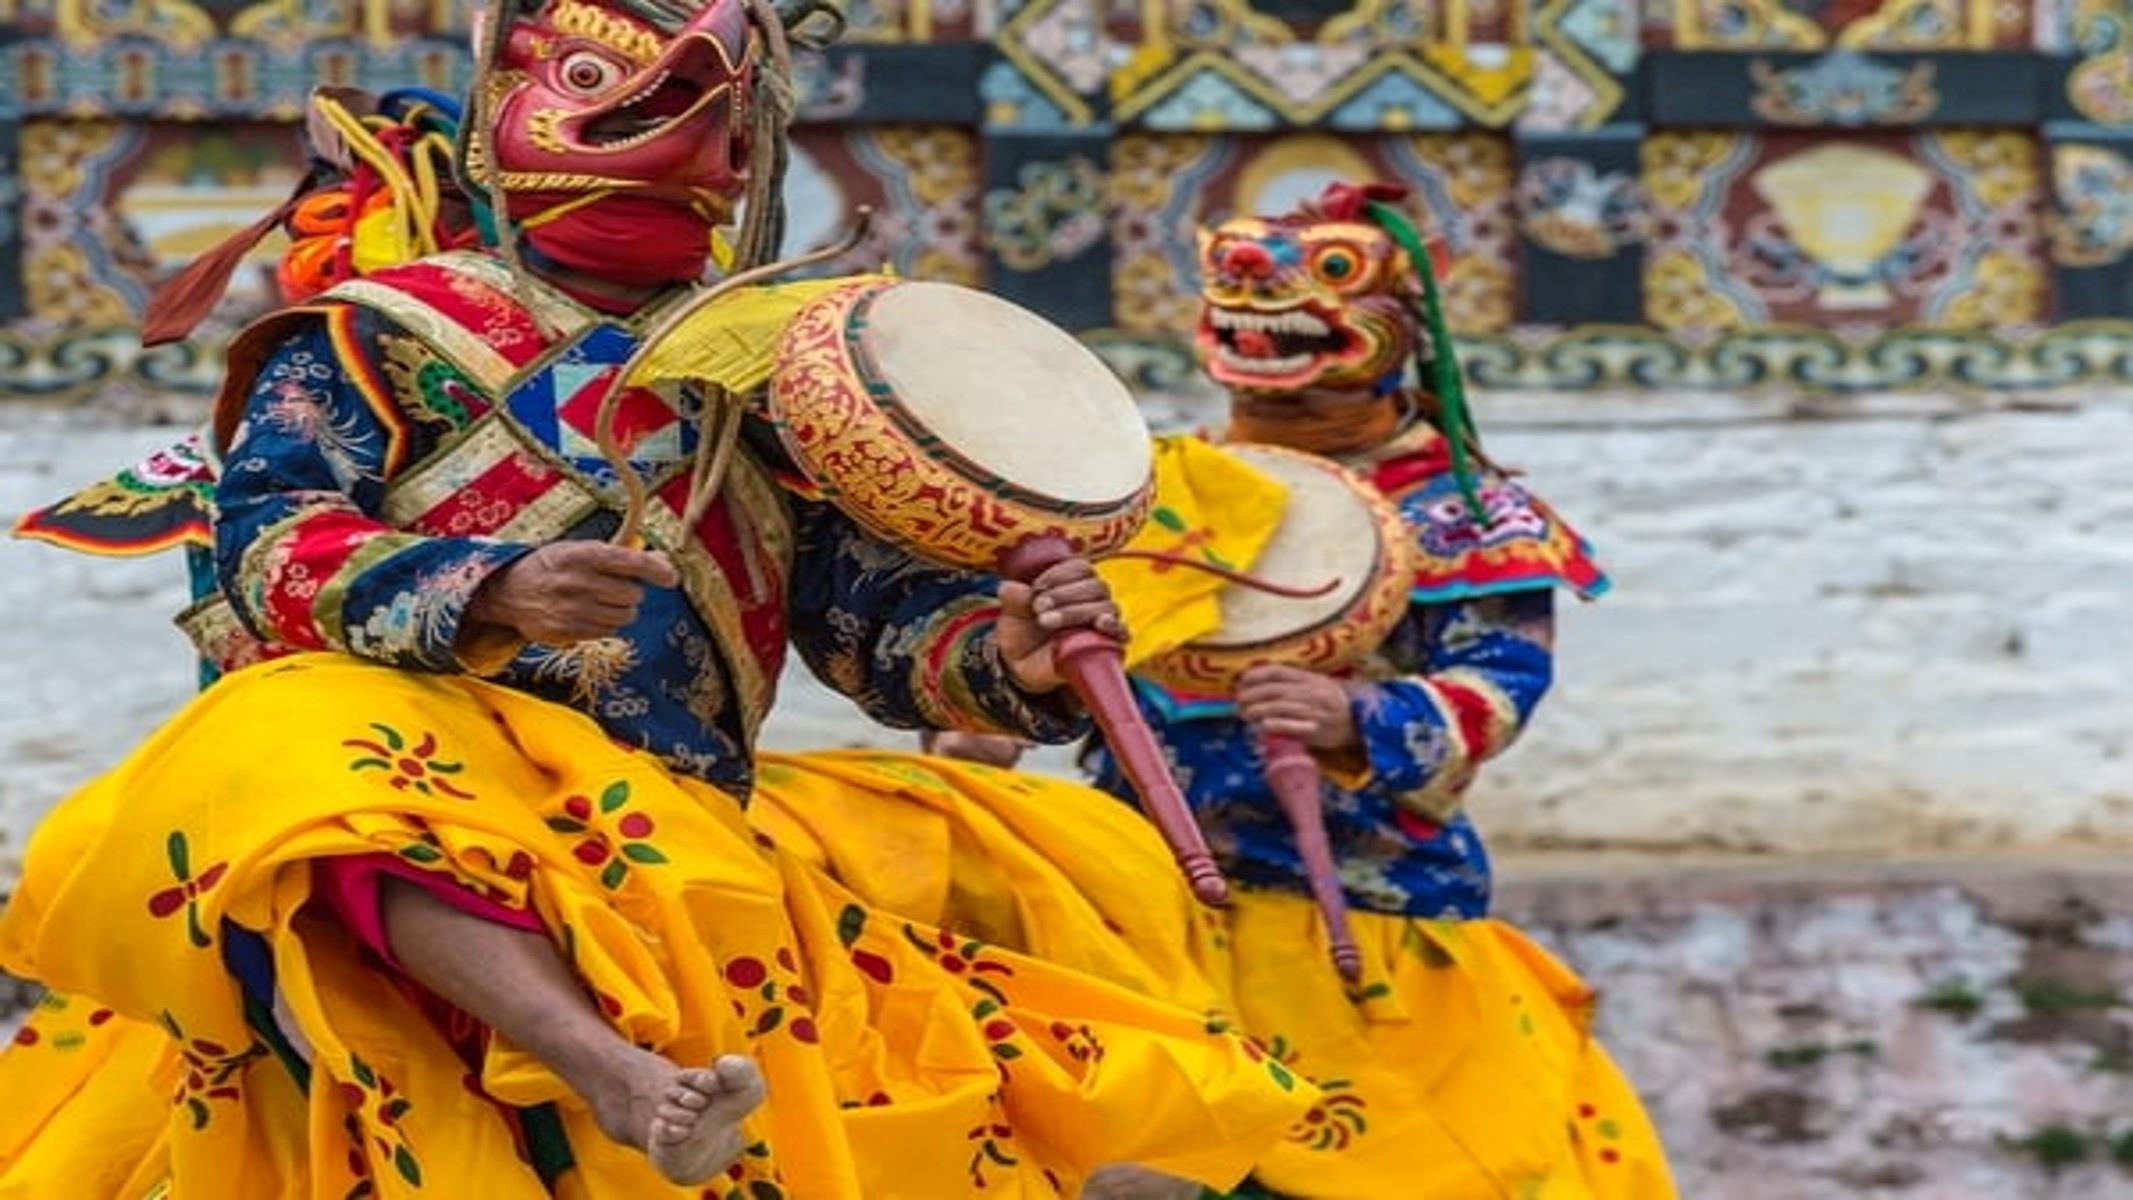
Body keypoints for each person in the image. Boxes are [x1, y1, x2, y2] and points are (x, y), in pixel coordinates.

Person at [0, 4, 1316, 1194]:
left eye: (712, 123)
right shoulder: (376, 333)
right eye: (611, 99)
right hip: (415, 784)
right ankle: (614, 1074)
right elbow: (268, 541)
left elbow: (864, 622)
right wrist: (496, 584)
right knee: (313, 768)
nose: (682, 149)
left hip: (662, 815)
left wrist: (1005, 654)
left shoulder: (776, 374)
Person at [809, 182, 1679, 1197]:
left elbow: (1500, 681)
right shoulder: (1161, 492)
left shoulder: (1466, 511)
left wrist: (1357, 715)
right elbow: (1075, 650)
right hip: (1148, 890)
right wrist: (991, 717)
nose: (1267, 346)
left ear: (1398, 331)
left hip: (1365, 896)